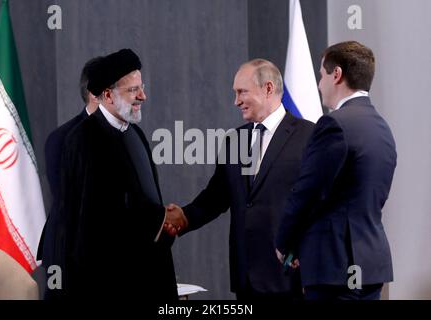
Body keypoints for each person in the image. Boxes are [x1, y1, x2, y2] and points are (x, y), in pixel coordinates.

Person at [166, 59, 314, 300]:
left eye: (242, 92)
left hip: (290, 277)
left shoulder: (309, 136)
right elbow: (215, 198)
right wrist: (182, 218)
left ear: (268, 88)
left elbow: (317, 203)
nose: (236, 101)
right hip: (246, 279)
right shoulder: (234, 139)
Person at [275, 41, 397, 300]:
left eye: (321, 75)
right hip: (370, 266)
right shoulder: (382, 128)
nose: (319, 84)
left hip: (335, 268)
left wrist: (284, 242)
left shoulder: (334, 125)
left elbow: (308, 191)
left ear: (337, 75)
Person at [53, 48, 178, 300]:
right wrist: (161, 219)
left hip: (148, 272)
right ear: (108, 95)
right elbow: (94, 218)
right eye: (133, 90)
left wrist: (163, 220)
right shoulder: (83, 139)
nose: (143, 96)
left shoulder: (135, 134)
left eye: (142, 87)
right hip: (107, 280)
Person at [37, 56, 101, 270]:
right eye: (118, 88)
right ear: (94, 93)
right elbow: (68, 201)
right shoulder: (62, 138)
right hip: (70, 255)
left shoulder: (128, 137)